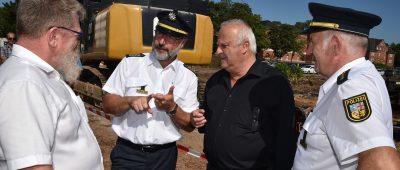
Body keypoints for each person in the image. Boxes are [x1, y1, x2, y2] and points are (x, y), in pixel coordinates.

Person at [292, 3, 400, 170]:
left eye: (312, 42)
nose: (308, 51)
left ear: (335, 45)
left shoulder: (351, 88)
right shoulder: (364, 77)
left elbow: (383, 164)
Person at [0, 0, 103, 169]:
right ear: (54, 37)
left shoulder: (39, 77)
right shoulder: (25, 85)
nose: (78, 44)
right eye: (77, 35)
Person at [191, 19, 297, 170]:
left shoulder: (275, 84)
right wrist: (198, 119)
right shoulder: (215, 81)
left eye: (224, 46)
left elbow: (285, 141)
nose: (217, 51)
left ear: (244, 46)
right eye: (217, 46)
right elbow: (206, 122)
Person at [102, 10, 198, 170]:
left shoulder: (188, 77)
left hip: (164, 158)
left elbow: (189, 126)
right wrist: (129, 101)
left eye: (170, 37)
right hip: (128, 155)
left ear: (182, 43)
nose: (161, 41)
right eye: (159, 33)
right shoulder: (130, 63)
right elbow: (107, 104)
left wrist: (172, 108)